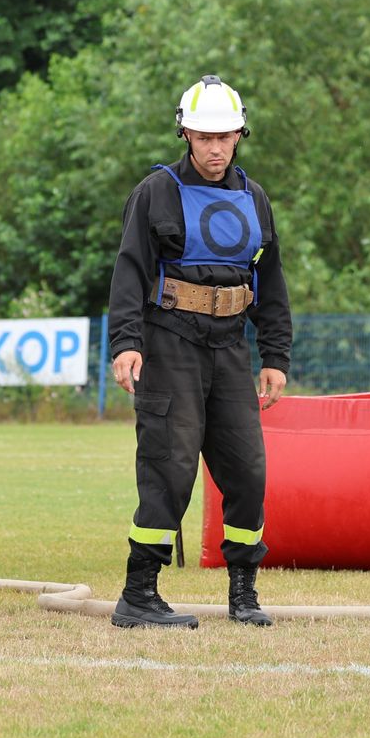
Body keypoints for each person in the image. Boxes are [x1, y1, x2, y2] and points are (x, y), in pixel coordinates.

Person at [107, 76, 292, 630]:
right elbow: (129, 272)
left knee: (247, 472)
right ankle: (138, 593)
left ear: (240, 136)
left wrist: (275, 355)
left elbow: (272, 280)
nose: (215, 148)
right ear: (185, 133)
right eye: (204, 136)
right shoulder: (155, 192)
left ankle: (243, 592)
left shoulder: (253, 196)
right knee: (168, 469)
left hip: (232, 348)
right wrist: (126, 343)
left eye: (225, 137)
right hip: (170, 345)